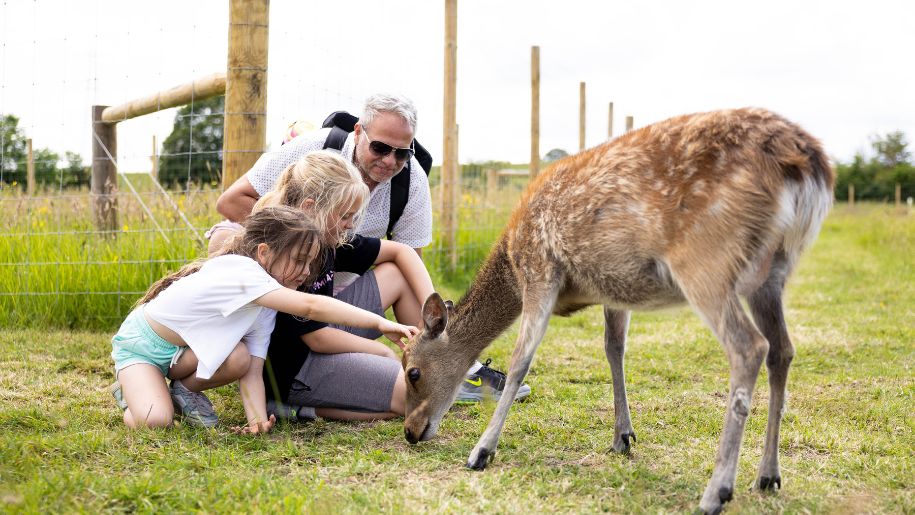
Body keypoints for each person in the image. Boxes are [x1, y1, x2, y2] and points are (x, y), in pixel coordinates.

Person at [213, 93, 530, 404]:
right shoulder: (313, 157)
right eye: (380, 148)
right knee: (223, 236)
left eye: (402, 153)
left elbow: (406, 256)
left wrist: (438, 319)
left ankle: (446, 363)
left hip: (338, 302)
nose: (391, 161)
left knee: (400, 273)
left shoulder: (402, 187)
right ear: (358, 132)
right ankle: (231, 348)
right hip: (293, 307)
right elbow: (230, 201)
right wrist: (293, 242)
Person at [109, 206, 418, 433]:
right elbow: (310, 306)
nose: (306, 272)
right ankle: (132, 391)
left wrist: (257, 422)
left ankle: (183, 390)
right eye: (299, 260)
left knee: (241, 357)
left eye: (311, 263)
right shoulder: (243, 274)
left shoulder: (266, 305)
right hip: (143, 348)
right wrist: (380, 323)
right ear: (264, 252)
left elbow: (254, 371)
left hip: (185, 356)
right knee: (156, 421)